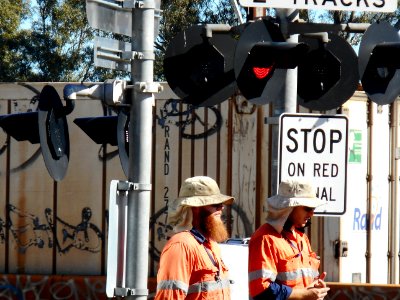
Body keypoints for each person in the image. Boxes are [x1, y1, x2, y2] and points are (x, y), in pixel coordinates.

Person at [248, 179, 330, 300]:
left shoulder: (302, 238)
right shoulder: (265, 239)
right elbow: (262, 290)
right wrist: (305, 295)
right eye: (307, 208)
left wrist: (315, 288)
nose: (312, 213)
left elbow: (302, 285)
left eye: (313, 208)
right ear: (289, 208)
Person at [155, 176, 234, 300]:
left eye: (221, 204)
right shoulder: (181, 245)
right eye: (215, 204)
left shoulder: (211, 245)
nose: (221, 208)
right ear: (195, 207)